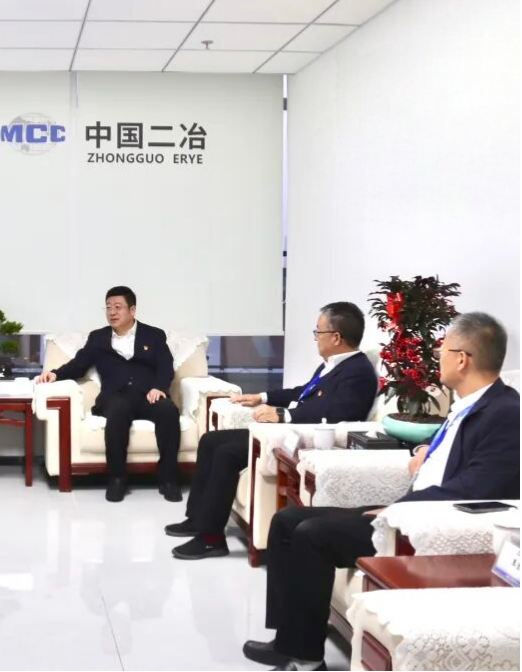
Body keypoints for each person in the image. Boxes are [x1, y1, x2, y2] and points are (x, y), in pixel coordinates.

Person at [243, 312, 520, 671]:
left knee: (312, 534)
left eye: (443, 350)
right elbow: (457, 456)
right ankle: (288, 642)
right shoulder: (470, 402)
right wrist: (424, 454)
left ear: (462, 359)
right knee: (286, 520)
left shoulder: (506, 412)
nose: (438, 355)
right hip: (412, 507)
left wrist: (398, 510)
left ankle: (307, 659)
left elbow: (477, 489)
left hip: (420, 523)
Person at [167, 302, 379, 560]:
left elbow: (336, 414)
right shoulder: (332, 364)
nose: (315, 338)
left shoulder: (358, 372)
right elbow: (303, 393)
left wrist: (283, 415)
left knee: (227, 453)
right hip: (288, 431)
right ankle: (197, 519)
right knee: (211, 440)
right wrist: (262, 396)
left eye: (318, 332)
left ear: (336, 337)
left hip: (306, 439)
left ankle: (211, 539)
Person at [37, 286, 183, 503]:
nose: (112, 312)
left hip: (148, 395)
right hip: (115, 396)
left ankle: (168, 479)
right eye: (108, 308)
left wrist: (159, 387)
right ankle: (117, 478)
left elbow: (165, 366)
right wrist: (55, 374)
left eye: (117, 307)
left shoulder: (154, 335)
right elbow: (79, 365)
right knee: (118, 410)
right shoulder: (98, 338)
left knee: (168, 410)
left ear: (132, 310)